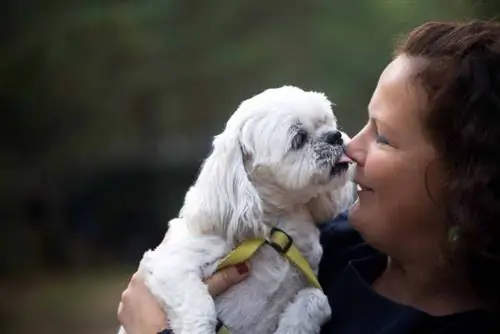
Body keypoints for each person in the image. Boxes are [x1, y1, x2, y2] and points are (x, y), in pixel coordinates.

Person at [117, 20, 500, 333]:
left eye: (383, 138)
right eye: (364, 123)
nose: (350, 147)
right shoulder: (327, 245)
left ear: (464, 179)